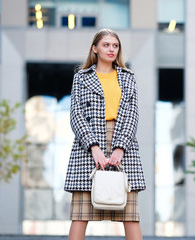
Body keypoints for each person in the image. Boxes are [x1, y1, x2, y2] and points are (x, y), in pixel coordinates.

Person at [64, 29, 146, 240]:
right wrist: (93, 146)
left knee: (131, 216)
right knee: (80, 215)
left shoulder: (128, 78)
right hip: (87, 146)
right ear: (95, 48)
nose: (111, 49)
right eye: (106, 45)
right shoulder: (81, 78)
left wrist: (120, 147)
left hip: (123, 144)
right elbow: (76, 115)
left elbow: (132, 114)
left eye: (115, 45)